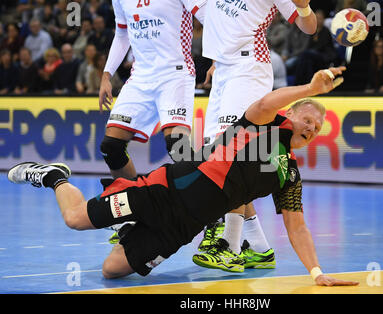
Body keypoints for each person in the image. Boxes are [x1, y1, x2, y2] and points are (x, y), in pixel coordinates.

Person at [8, 66, 358, 287]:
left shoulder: (289, 174)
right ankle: (55, 177)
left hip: (183, 227)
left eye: (317, 127)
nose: (311, 128)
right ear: (291, 114)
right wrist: (310, 89)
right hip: (162, 191)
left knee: (111, 269)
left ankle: (130, 231)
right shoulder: (265, 123)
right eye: (307, 119)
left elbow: (297, 227)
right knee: (75, 219)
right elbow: (267, 102)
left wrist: (317, 273)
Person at [197, 0, 317, 272]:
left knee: (228, 154)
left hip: (248, 68)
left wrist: (305, 7)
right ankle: (260, 248)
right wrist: (217, 60)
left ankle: (230, 246)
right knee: (213, 156)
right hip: (224, 69)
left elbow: (308, 27)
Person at [98, 0, 206, 243]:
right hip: (141, 77)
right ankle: (134, 211)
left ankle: (211, 213)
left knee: (179, 147)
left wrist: (218, 60)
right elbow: (122, 32)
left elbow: (210, 18)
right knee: (111, 146)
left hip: (175, 73)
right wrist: (107, 74)